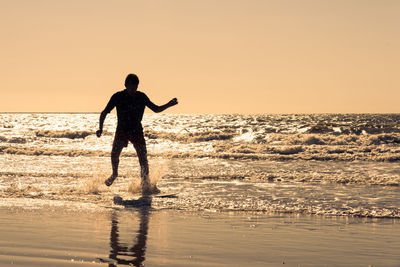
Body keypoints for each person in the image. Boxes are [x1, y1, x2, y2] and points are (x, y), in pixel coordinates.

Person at [96, 74, 178, 195]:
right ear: (126, 85)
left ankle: (145, 184)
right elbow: (104, 112)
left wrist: (169, 104)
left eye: (135, 87)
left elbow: (156, 109)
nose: (133, 90)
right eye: (131, 87)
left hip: (136, 131)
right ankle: (114, 174)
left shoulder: (141, 96)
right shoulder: (118, 96)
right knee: (114, 154)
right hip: (122, 130)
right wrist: (100, 128)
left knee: (143, 159)